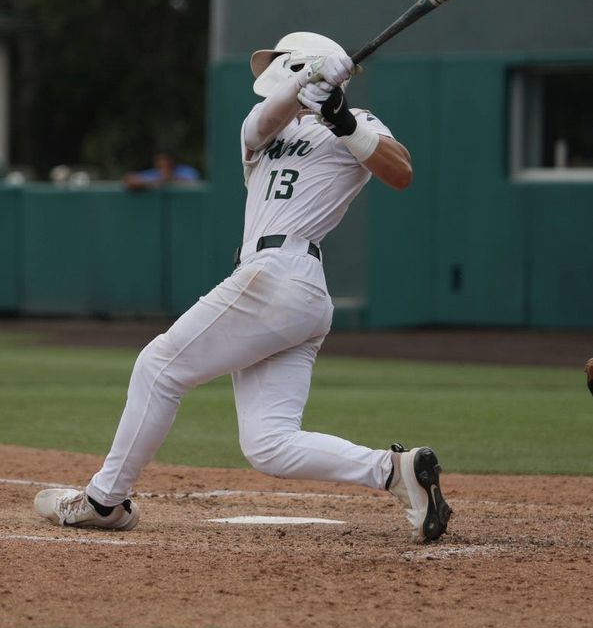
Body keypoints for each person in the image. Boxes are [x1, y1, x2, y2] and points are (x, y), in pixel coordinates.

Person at [33, 32, 452, 543]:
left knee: (159, 366)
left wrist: (340, 115)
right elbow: (267, 117)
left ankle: (104, 500)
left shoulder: (354, 125)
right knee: (269, 445)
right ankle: (394, 471)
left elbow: (401, 172)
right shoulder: (260, 135)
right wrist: (306, 82)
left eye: (282, 63)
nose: (270, 69)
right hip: (282, 287)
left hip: (285, 274)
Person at [123, 151, 199, 189]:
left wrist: (168, 180)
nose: (163, 164)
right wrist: (154, 183)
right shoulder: (154, 174)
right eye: (159, 161)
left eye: (166, 161)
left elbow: (193, 182)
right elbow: (129, 179)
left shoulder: (185, 170)